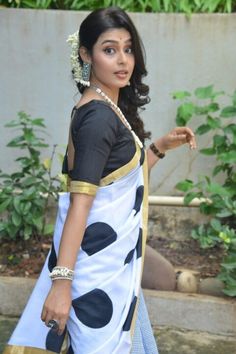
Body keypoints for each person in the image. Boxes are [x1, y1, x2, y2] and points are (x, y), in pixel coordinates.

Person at [4, 6, 196, 354]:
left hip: (113, 270)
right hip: (96, 276)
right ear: (86, 55)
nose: (123, 60)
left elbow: (116, 184)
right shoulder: (97, 118)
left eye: (128, 49)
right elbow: (81, 205)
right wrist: (62, 285)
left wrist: (161, 146)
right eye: (109, 50)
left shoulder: (106, 107)